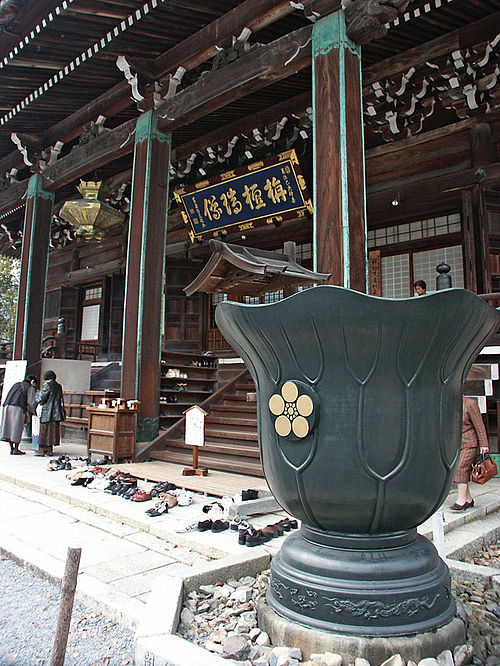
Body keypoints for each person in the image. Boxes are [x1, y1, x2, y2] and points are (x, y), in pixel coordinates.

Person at [450, 396, 489, 511]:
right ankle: (468, 499)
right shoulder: (450, 404)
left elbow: (479, 425)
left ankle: (461, 501)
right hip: (456, 444)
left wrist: (484, 444)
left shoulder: (470, 403)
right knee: (461, 469)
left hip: (470, 443)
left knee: (461, 468)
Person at [0, 375, 38, 455]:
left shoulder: (17, 384)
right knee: (17, 428)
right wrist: (34, 412)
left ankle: (12, 448)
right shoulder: (30, 388)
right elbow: (31, 402)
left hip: (7, 407)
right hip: (18, 408)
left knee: (9, 428)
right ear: (32, 381)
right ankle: (16, 449)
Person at [35, 370, 65, 457]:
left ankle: (41, 450)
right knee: (52, 432)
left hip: (47, 412)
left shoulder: (47, 386)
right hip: (56, 413)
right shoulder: (59, 386)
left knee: (44, 431)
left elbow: (41, 398)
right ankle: (50, 450)